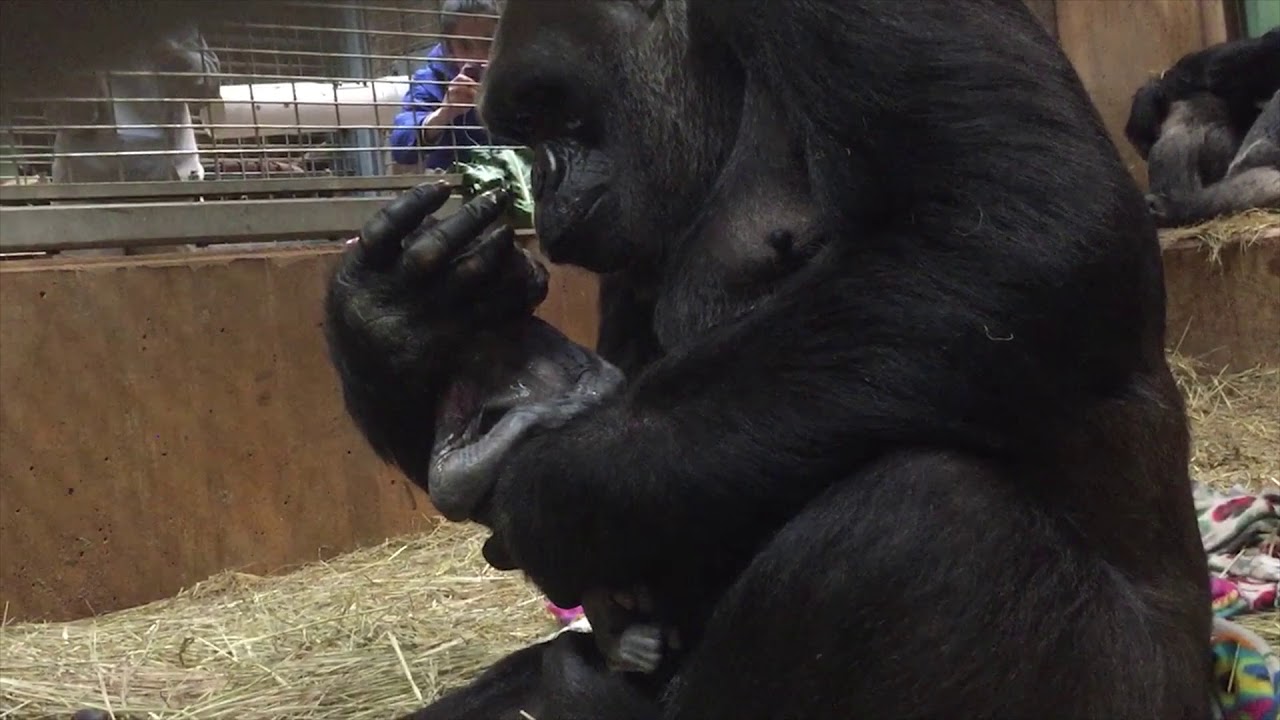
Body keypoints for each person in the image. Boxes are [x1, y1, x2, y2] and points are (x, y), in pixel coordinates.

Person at [388, 0, 498, 171]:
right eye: (464, 45)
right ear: (449, 48)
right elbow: (401, 146)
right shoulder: (429, 81)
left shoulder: (513, 75)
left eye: (488, 43)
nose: (479, 57)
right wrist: (445, 112)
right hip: (456, 187)